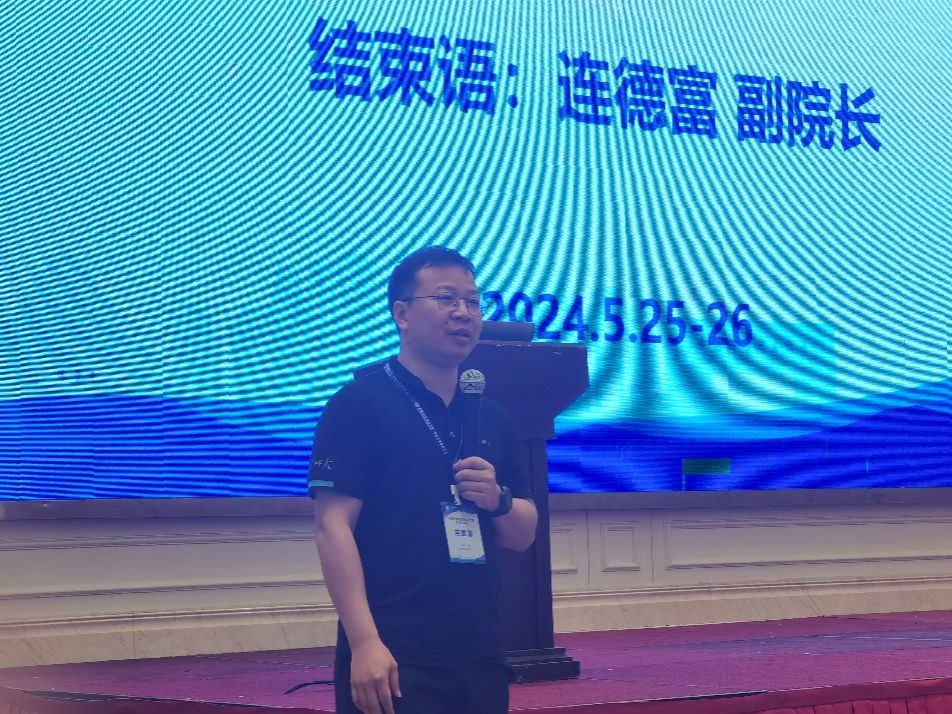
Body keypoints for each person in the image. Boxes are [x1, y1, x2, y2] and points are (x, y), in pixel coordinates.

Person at [308, 246, 539, 714]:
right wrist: (364, 643)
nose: (463, 313)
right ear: (402, 315)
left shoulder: (493, 417)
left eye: (472, 301)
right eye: (446, 298)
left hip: (480, 654)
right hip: (393, 654)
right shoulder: (358, 404)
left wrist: (497, 500)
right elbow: (332, 528)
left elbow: (523, 534)